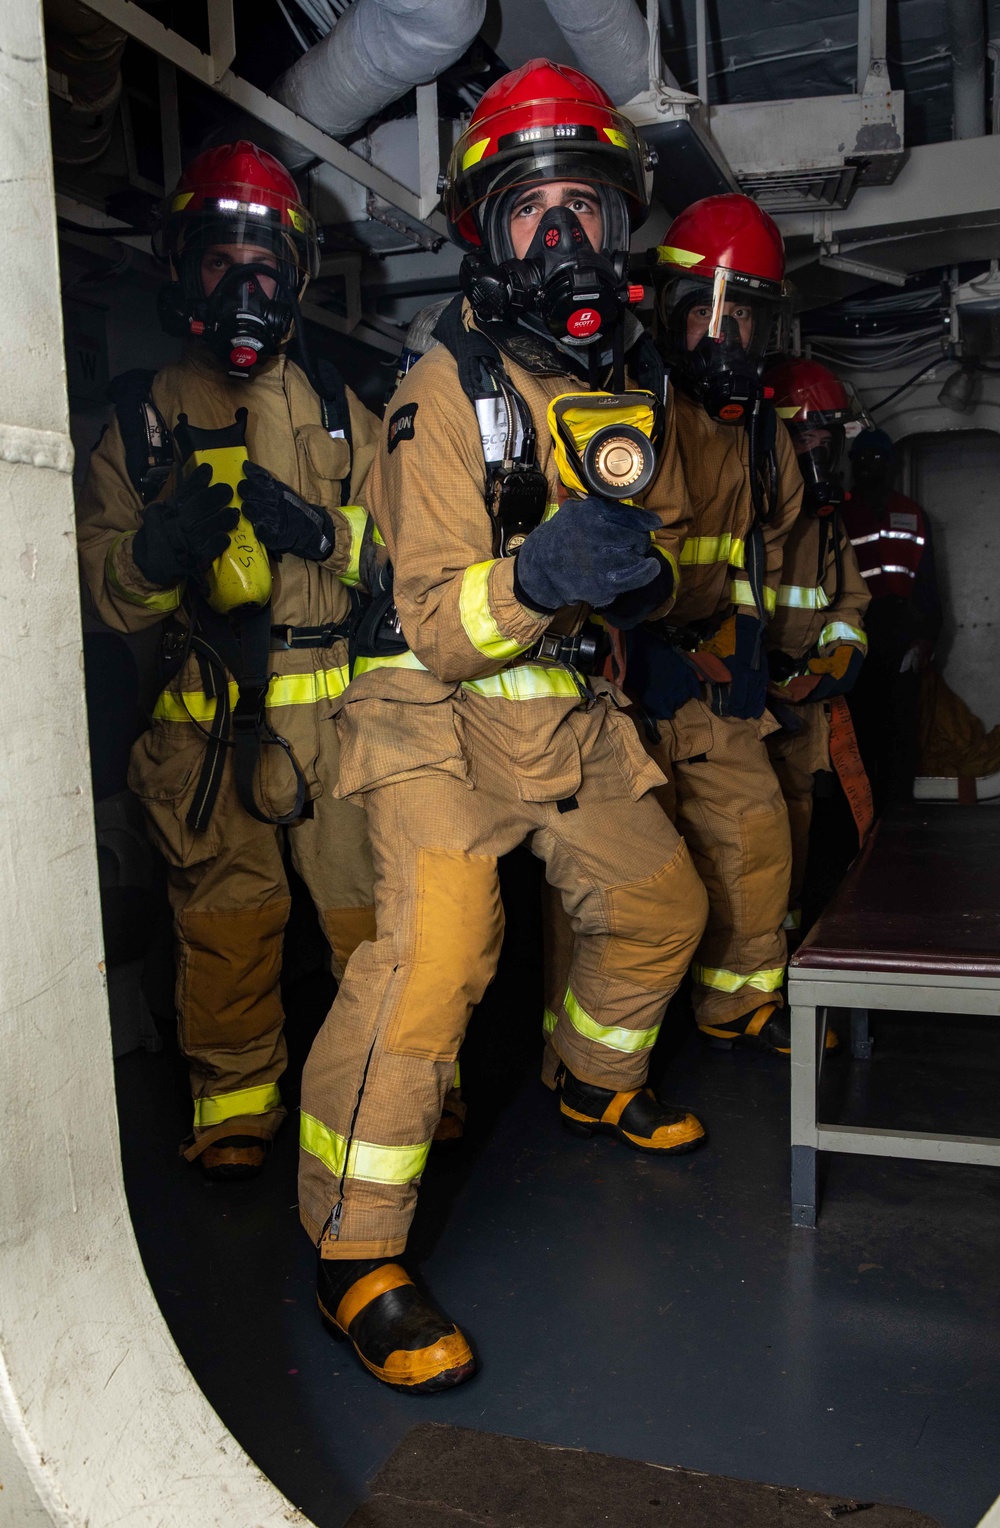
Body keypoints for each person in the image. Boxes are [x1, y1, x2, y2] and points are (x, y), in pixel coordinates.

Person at [297, 58, 710, 1393]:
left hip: (563, 716)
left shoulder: (635, 387)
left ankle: (591, 1081)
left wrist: (657, 584)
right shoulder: (442, 384)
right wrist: (539, 577)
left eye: (585, 210)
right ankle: (354, 1252)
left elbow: (683, 551)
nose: (564, 241)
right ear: (486, 236)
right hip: (430, 714)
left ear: (622, 227)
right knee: (437, 963)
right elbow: (427, 620)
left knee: (662, 909)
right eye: (533, 215)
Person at [77, 142, 379, 1180]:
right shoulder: (138, 422)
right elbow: (98, 596)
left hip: (340, 724)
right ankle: (236, 1109)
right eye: (221, 260)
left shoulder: (346, 411)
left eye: (266, 263)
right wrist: (154, 556)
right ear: (182, 269)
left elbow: (418, 555)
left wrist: (321, 532)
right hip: (202, 728)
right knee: (227, 927)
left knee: (371, 921)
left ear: (295, 276)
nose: (245, 286)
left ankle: (398, 1090)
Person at [622, 193, 800, 1055]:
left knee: (757, 826)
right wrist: (632, 647)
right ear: (668, 316)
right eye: (704, 315)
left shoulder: (765, 438)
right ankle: (587, 1051)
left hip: (703, 668)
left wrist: (752, 637)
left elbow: (757, 551)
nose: (723, 340)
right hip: (614, 677)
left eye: (744, 321)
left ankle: (739, 999)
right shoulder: (621, 408)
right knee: (623, 877)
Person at [762, 358, 872, 939]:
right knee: (749, 852)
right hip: (741, 712)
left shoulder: (826, 523)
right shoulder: (750, 513)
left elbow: (848, 606)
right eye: (805, 436)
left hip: (800, 712)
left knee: (796, 849)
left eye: (825, 438)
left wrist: (833, 663)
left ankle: (784, 971)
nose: (817, 451)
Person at [840, 428, 943, 807]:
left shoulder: (912, 513)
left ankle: (899, 812)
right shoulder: (839, 510)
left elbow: (928, 579)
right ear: (853, 464)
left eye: (877, 460)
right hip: (856, 624)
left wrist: (927, 636)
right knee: (861, 721)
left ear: (889, 465)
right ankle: (863, 812)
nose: (870, 467)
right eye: (863, 459)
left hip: (901, 628)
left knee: (901, 722)